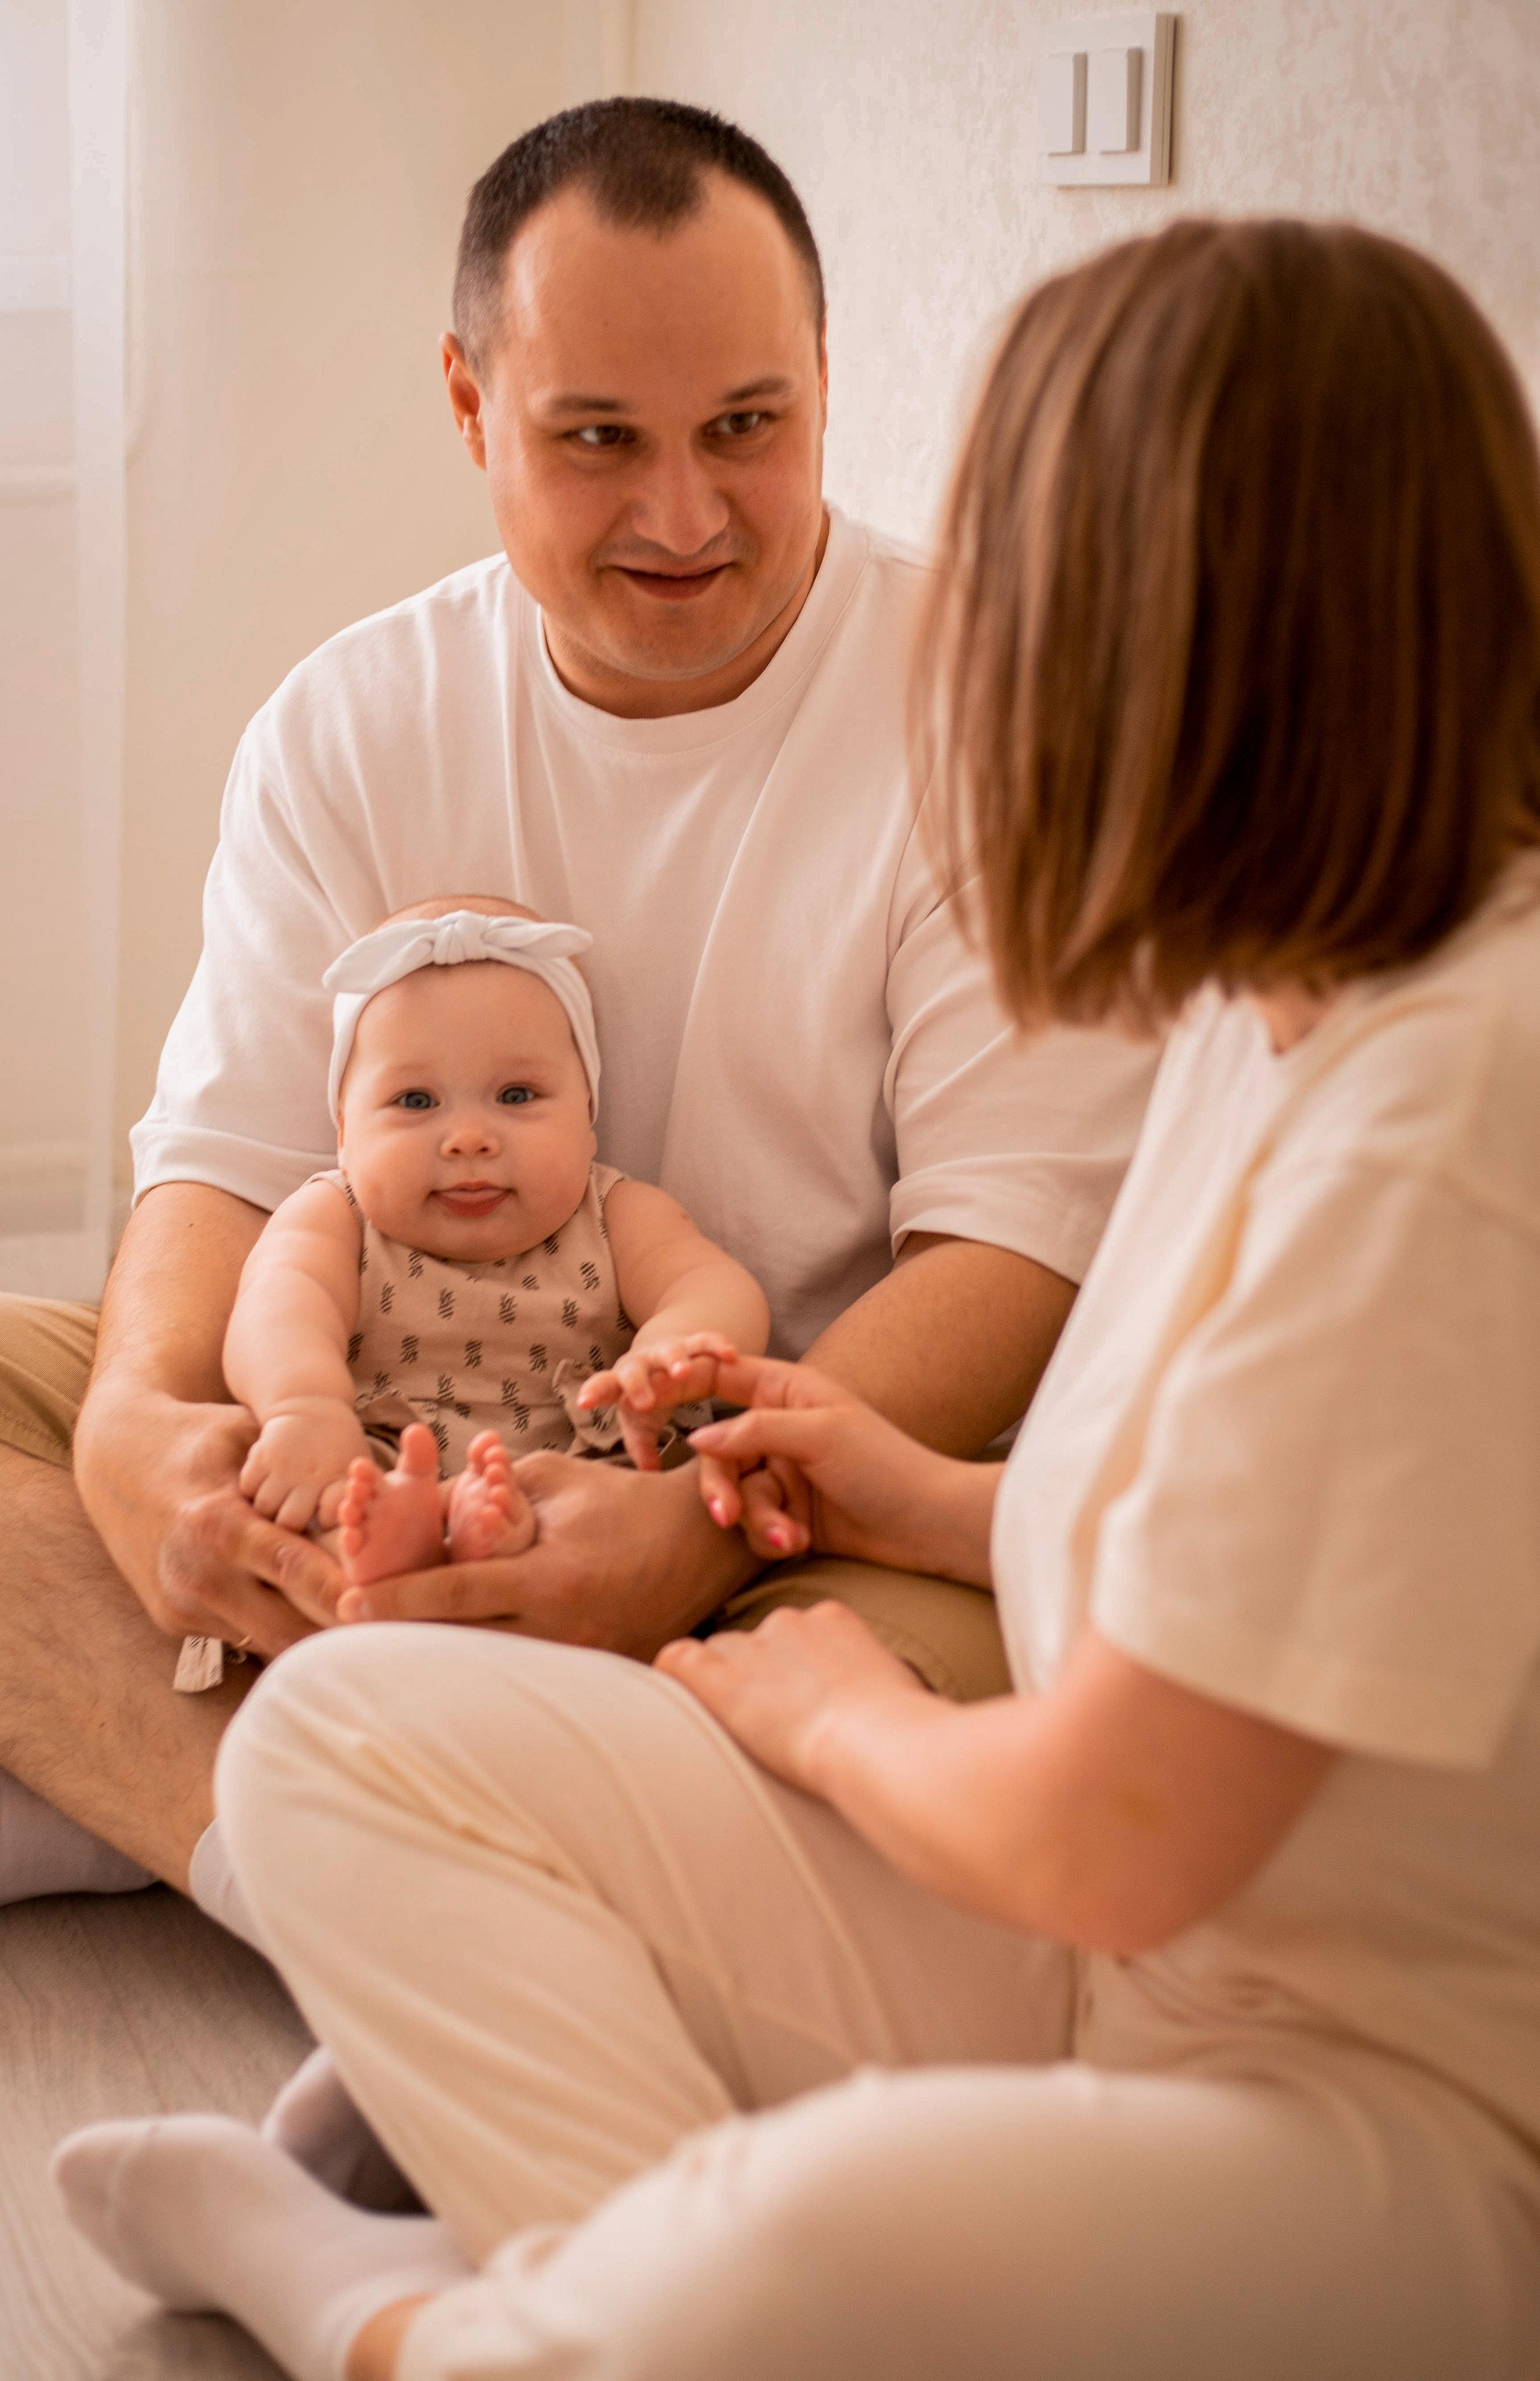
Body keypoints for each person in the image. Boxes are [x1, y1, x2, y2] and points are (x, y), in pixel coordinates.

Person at [53, 216, 1540, 2378]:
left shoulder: (1451, 1097)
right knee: (337, 1742)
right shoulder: (1266, 981)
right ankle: (611, 2290)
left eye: (1030, 598)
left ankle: (397, 2301)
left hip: (1357, 2095)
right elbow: (1222, 1553)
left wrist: (818, 1685)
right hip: (1090, 1946)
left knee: (772, 2259)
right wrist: (894, 1484)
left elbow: (1113, 1832)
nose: (980, 651)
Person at [0, 100, 1154, 1912]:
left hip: (799, 1484)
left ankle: (230, 1804)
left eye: (746, 430)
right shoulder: (348, 718)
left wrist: (691, 1521)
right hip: (368, 1422)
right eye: (598, 439)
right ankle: (356, 1879)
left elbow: (1012, 1249)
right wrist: (147, 1425)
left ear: (826, 385)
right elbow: (220, 1166)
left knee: (931, 1715)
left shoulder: (989, 694)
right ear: (471, 409)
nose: (683, 515)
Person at [223, 895, 768, 1592]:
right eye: (416, 1101)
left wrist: (674, 1348)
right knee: (318, 1488)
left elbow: (712, 1286)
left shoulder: (616, 1213)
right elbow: (277, 1308)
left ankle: (496, 1537)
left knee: (657, 1494)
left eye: (516, 1095)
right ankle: (398, 1542)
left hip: (586, 1480)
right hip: (378, 1460)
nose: (469, 1137)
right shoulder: (334, 1216)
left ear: (588, 1115)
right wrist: (305, 1406)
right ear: (343, 1128)